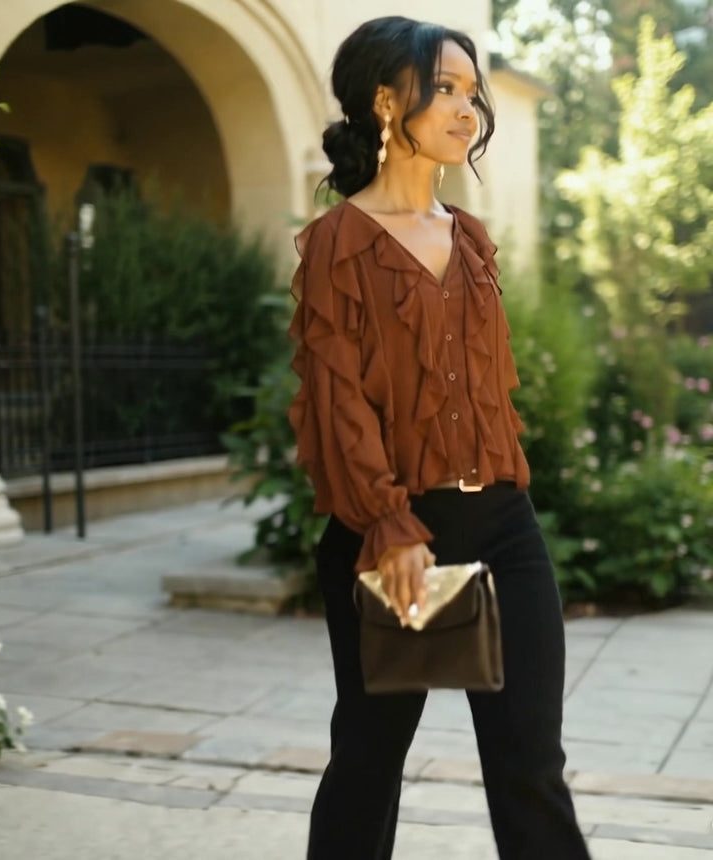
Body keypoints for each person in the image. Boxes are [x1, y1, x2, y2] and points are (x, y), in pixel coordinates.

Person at [288, 15, 592, 860]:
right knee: (371, 762)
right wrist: (388, 529)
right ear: (386, 102)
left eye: (472, 92)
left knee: (533, 762)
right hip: (392, 537)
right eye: (446, 89)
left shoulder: (472, 239)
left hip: (503, 528)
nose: (468, 110)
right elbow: (337, 407)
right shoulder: (336, 245)